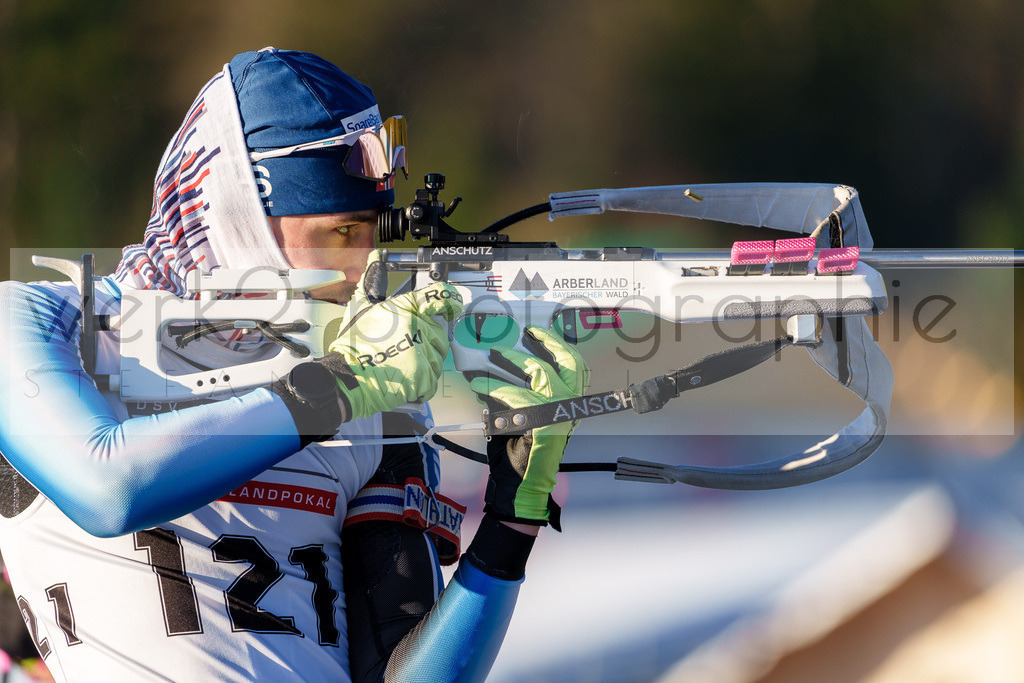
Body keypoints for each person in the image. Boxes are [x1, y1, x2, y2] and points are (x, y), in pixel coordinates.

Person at [0, 47, 587, 682]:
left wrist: (511, 520)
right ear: (236, 215)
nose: (363, 265)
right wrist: (336, 387)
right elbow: (109, 489)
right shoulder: (38, 321)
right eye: (342, 232)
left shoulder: (372, 388)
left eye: (376, 231)